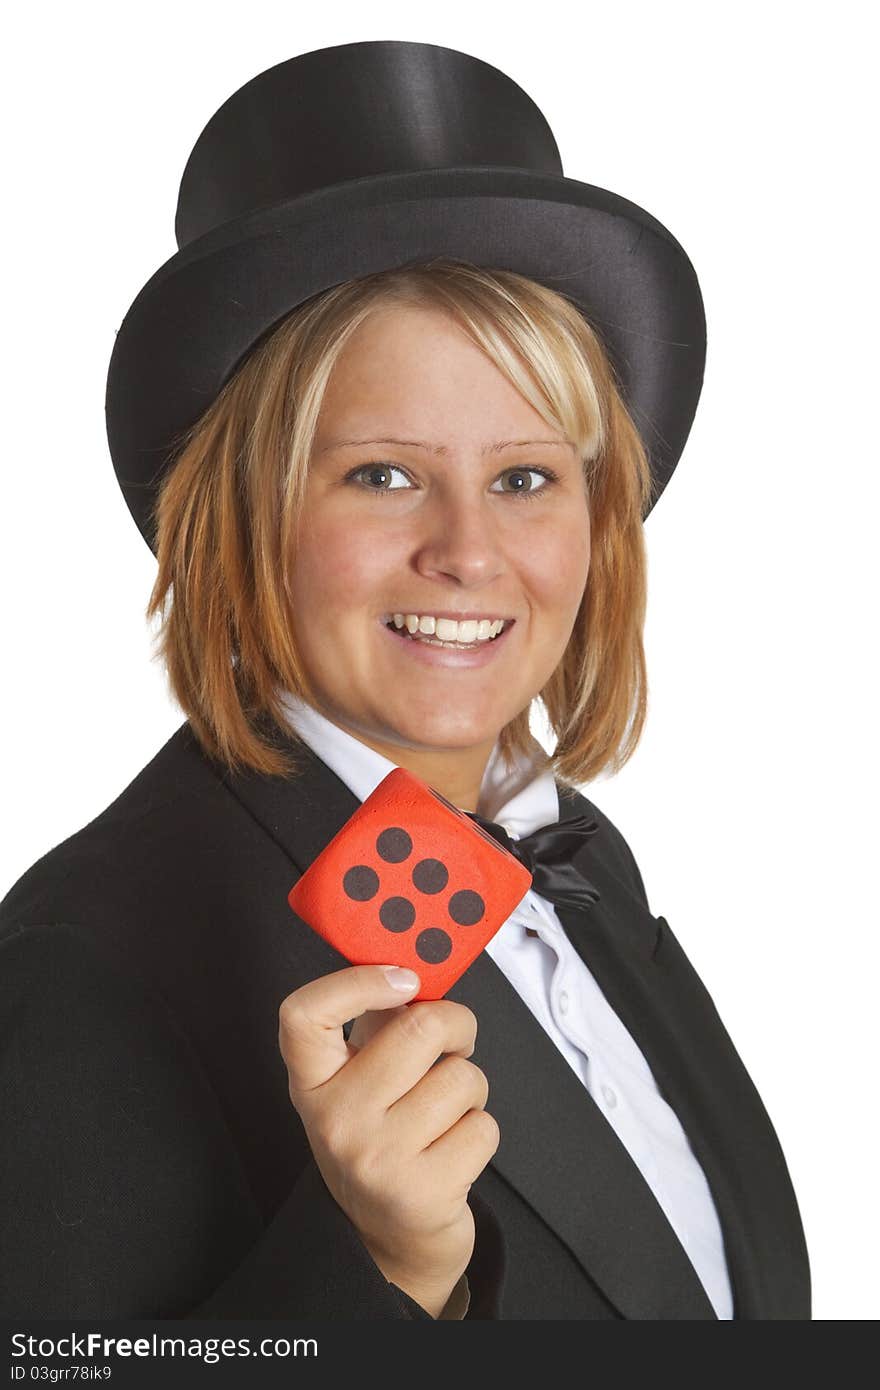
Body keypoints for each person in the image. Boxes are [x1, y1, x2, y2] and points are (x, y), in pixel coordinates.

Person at [0, 40, 810, 1320]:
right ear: (245, 515)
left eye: (525, 478)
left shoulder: (577, 868)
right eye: (381, 474)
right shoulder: (81, 965)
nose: (467, 551)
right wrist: (374, 1272)